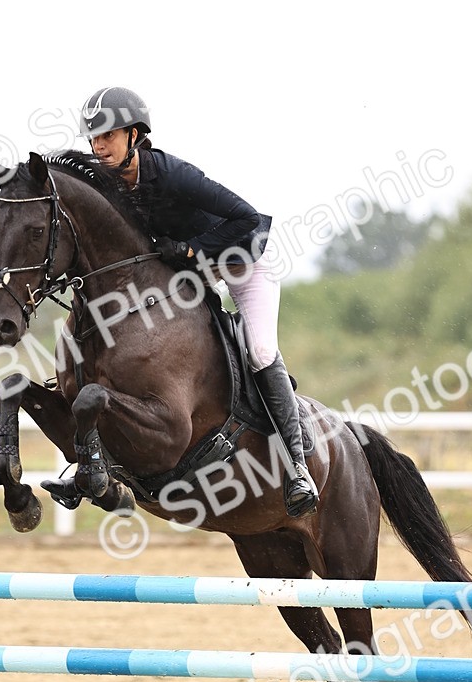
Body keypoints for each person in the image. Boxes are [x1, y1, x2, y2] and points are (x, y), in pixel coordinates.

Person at [78, 86, 318, 518]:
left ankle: (299, 467)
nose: (99, 146)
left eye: (107, 136)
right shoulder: (112, 184)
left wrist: (191, 250)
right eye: (93, 139)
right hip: (193, 276)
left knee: (260, 351)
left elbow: (247, 218)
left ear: (135, 135)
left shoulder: (173, 175)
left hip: (244, 263)